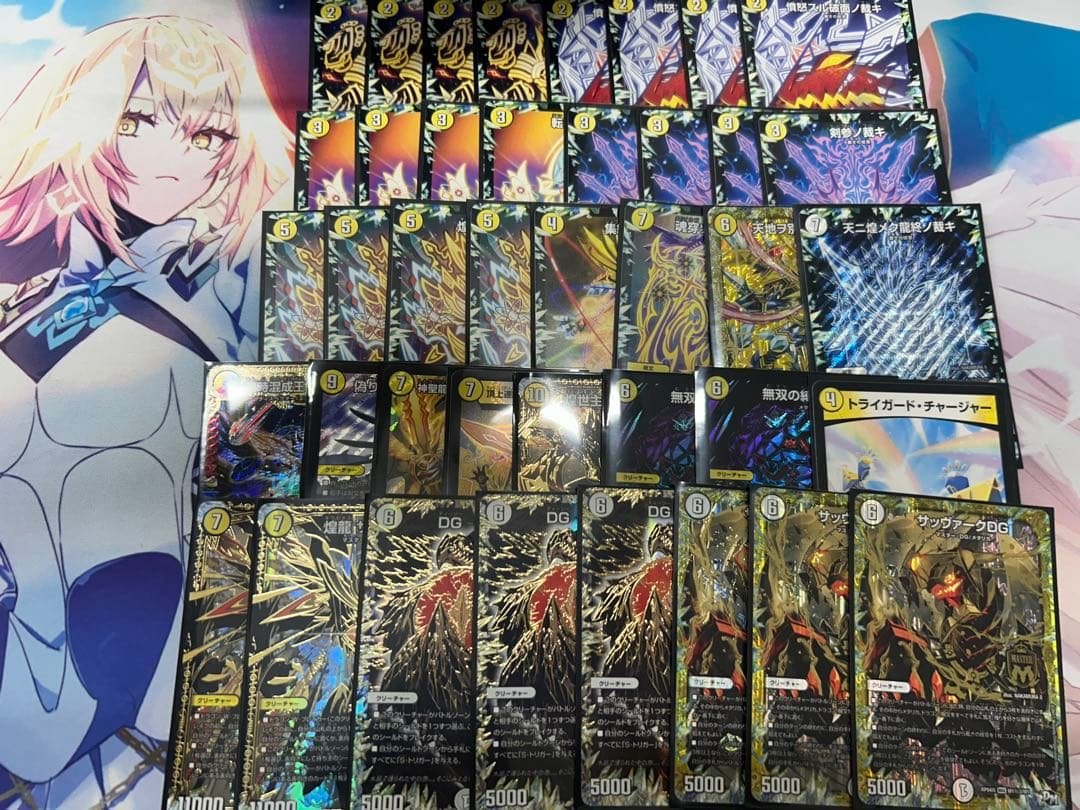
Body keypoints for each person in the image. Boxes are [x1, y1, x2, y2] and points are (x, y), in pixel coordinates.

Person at [0, 15, 289, 805]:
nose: (172, 159)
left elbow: (267, 477)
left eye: (207, 136)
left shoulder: (238, 273)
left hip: (170, 625)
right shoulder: (28, 254)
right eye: (136, 122)